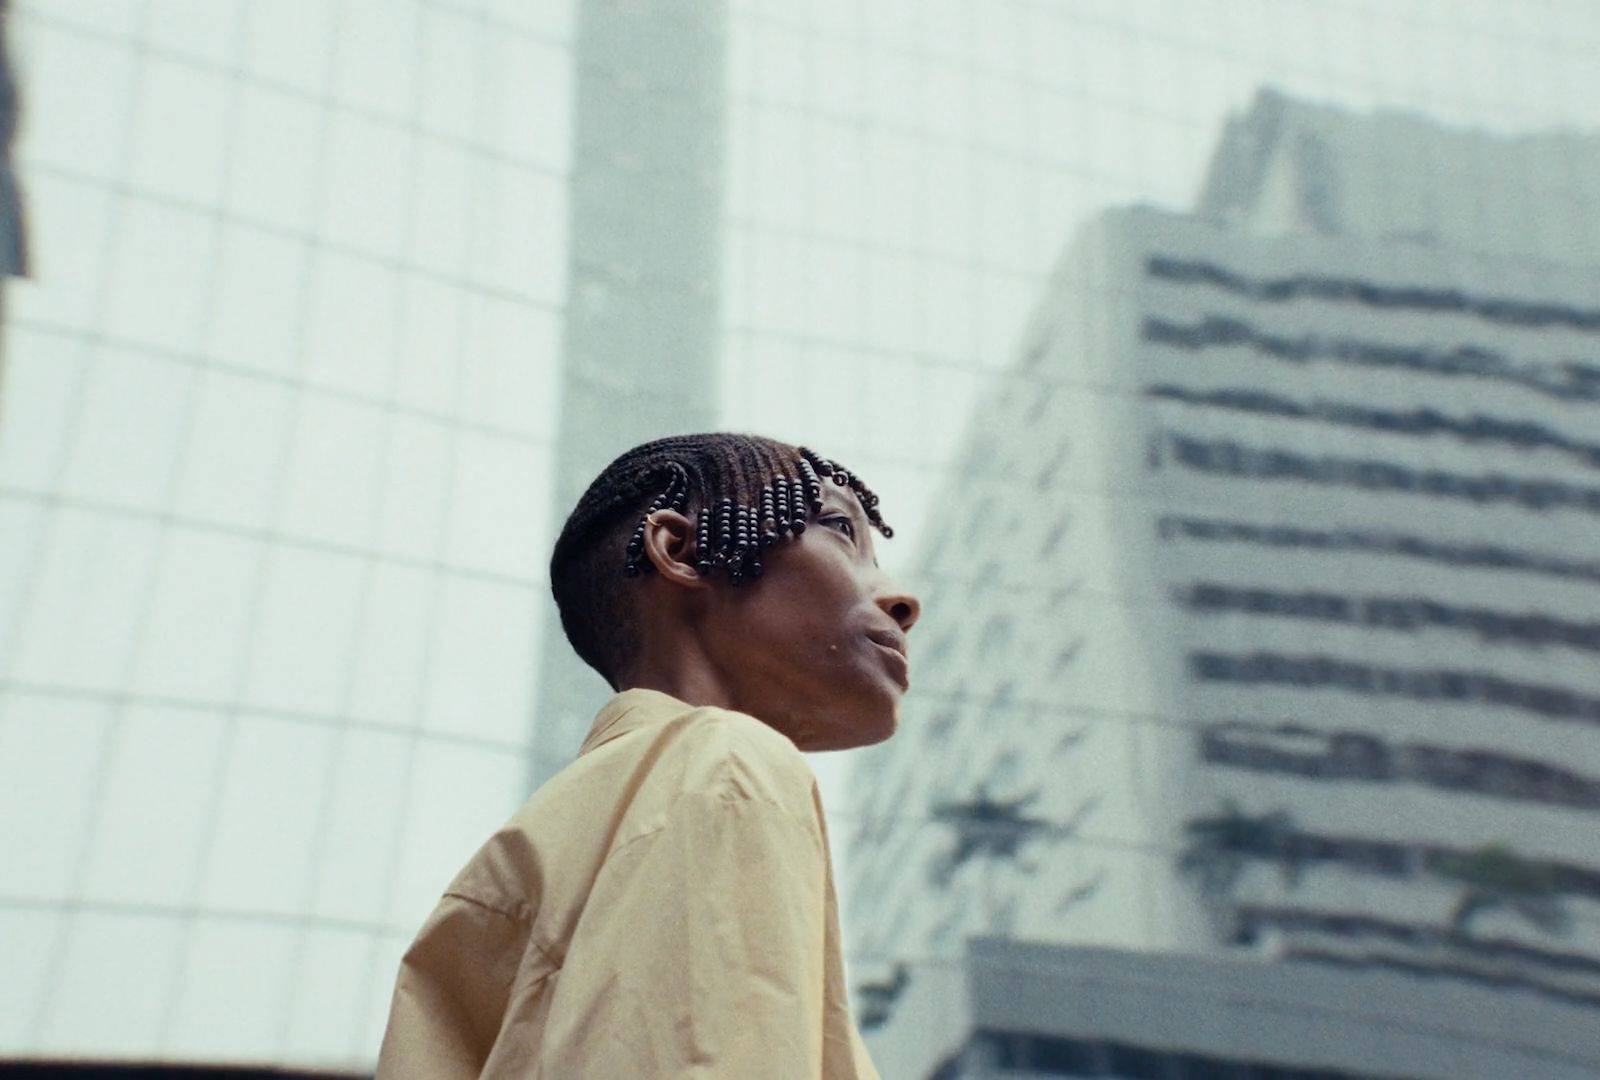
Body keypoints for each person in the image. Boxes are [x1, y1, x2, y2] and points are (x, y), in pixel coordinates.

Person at [376, 433, 921, 1078]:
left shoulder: (529, 851)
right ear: (680, 551)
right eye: (838, 527)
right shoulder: (730, 767)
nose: (901, 600)